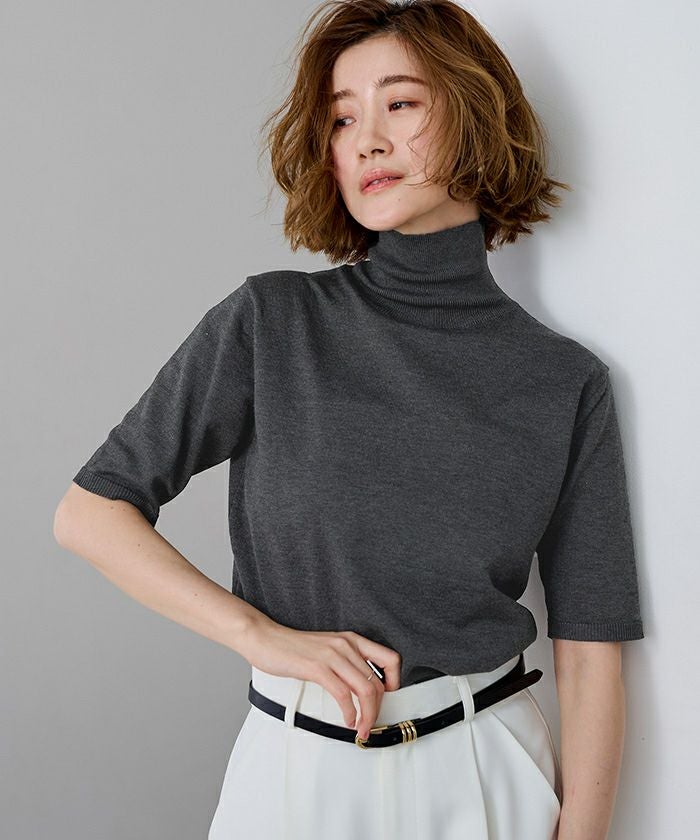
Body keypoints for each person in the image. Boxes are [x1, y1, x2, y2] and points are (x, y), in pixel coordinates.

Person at [53, 1, 645, 838]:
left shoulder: (563, 381)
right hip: (295, 775)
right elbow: (89, 513)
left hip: (488, 774)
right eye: (341, 118)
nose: (366, 139)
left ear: (474, 115)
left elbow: (590, 648)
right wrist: (261, 637)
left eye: (400, 103)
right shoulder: (272, 324)